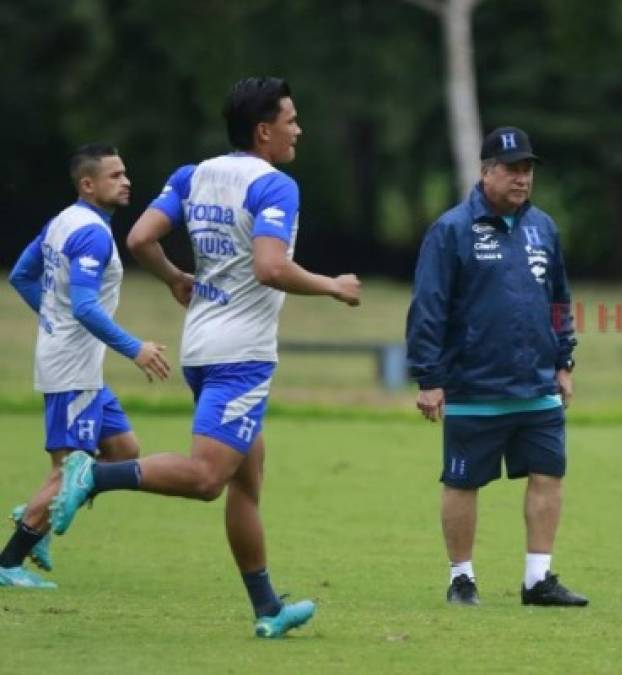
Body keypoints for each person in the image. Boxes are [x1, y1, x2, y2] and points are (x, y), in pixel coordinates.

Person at [50, 77, 362, 638]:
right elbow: (271, 267)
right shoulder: (276, 186)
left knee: (247, 479)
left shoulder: (194, 174)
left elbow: (142, 236)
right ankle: (92, 474)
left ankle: (267, 609)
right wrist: (333, 285)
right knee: (207, 479)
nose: (299, 129)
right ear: (264, 130)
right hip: (241, 355)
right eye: (291, 120)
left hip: (201, 344)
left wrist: (175, 278)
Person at [406, 127, 588, 607]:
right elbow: (429, 306)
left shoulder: (543, 228)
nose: (522, 179)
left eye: (527, 170)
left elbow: (559, 301)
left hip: (538, 386)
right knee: (463, 481)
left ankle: (537, 579)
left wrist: (564, 360)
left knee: (549, 474)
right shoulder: (451, 230)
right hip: (473, 387)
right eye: (512, 169)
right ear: (486, 172)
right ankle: (461, 579)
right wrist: (429, 377)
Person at [1, 144, 170, 589]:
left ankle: (39, 512)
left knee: (122, 451)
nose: (126, 181)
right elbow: (84, 308)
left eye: (125, 173)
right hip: (72, 371)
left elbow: (21, 274)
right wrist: (135, 348)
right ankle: (10, 559)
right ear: (88, 184)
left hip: (80, 367)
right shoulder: (92, 234)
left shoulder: (62, 221)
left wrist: (50, 318)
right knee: (66, 471)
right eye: (115, 175)